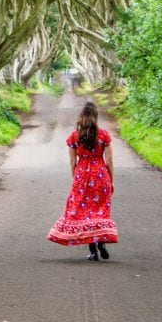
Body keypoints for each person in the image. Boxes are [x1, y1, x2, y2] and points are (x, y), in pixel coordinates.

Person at [47, 101, 118, 260]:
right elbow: (110, 161)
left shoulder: (74, 137)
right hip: (101, 176)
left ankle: (93, 251)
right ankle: (101, 242)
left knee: (84, 213)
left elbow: (72, 162)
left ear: (81, 117)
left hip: (82, 177)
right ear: (95, 116)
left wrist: (77, 180)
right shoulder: (104, 135)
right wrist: (110, 180)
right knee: (100, 211)